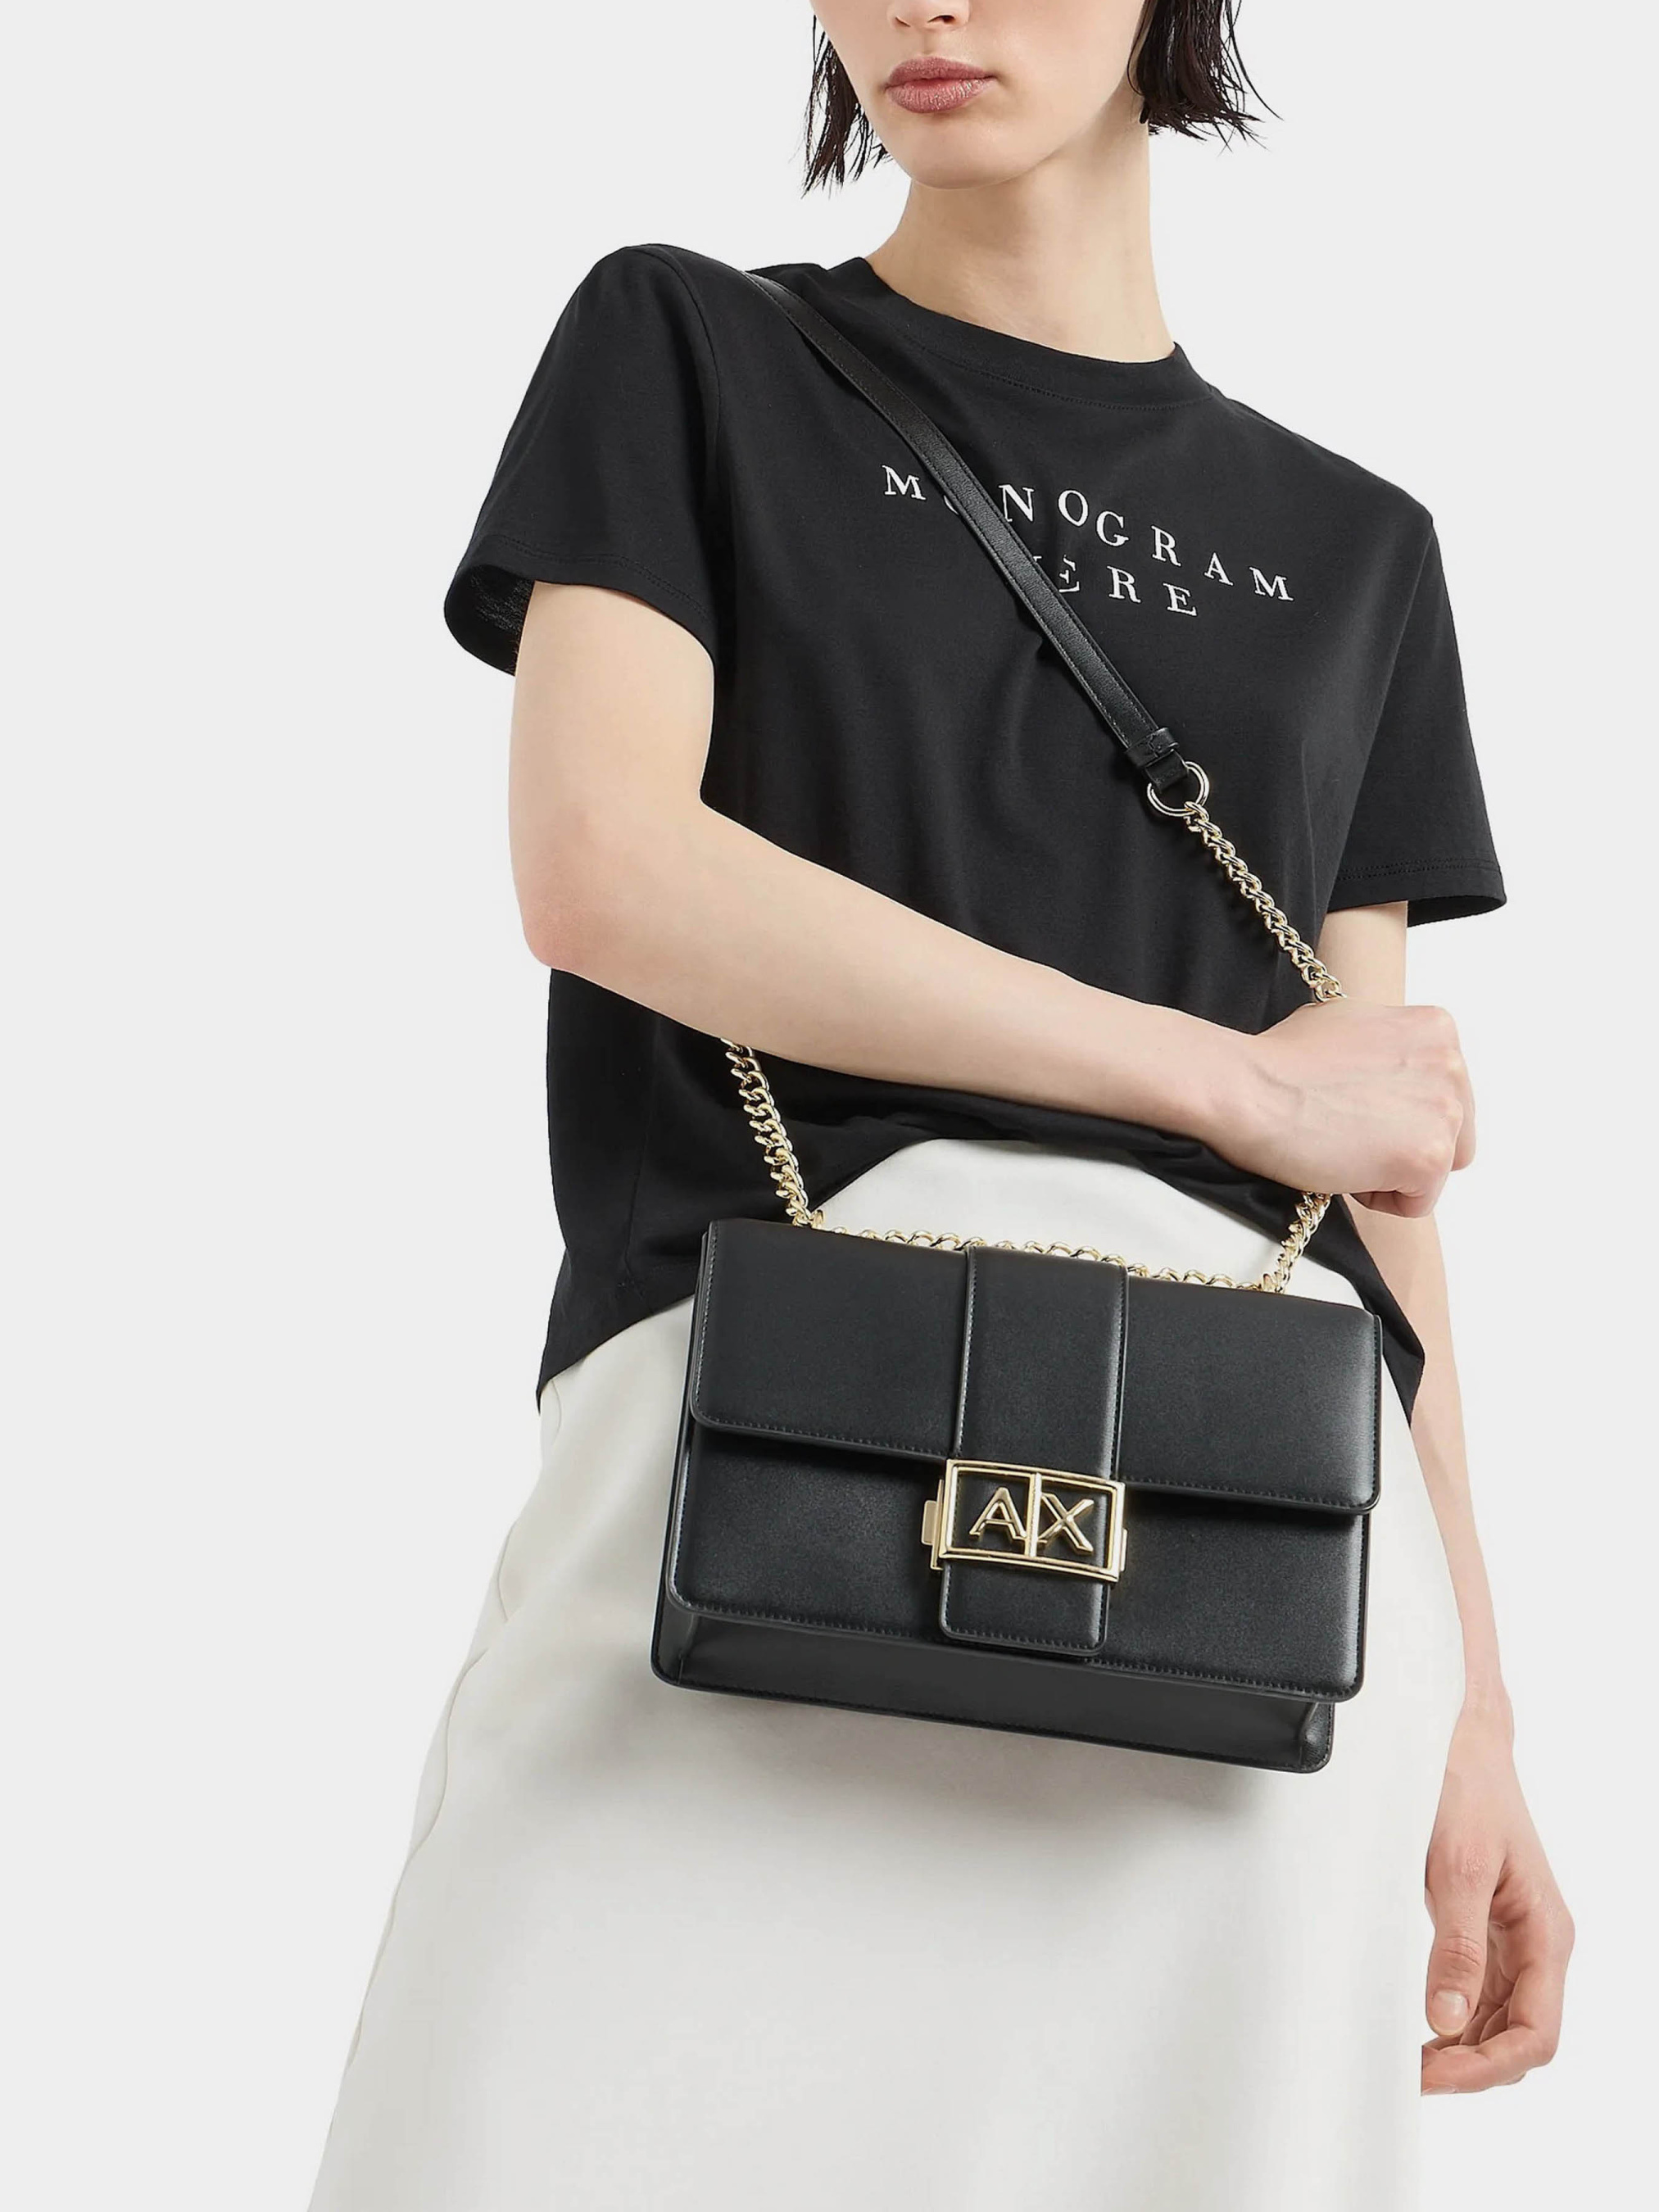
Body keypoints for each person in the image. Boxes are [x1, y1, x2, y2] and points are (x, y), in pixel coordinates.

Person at [306, 6, 1572, 2207]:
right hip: (737, 1466)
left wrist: (1478, 1708)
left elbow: (1377, 1171)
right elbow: (603, 866)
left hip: (1256, 1556)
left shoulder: (1358, 548)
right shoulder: (688, 347)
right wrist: (1212, 1074)